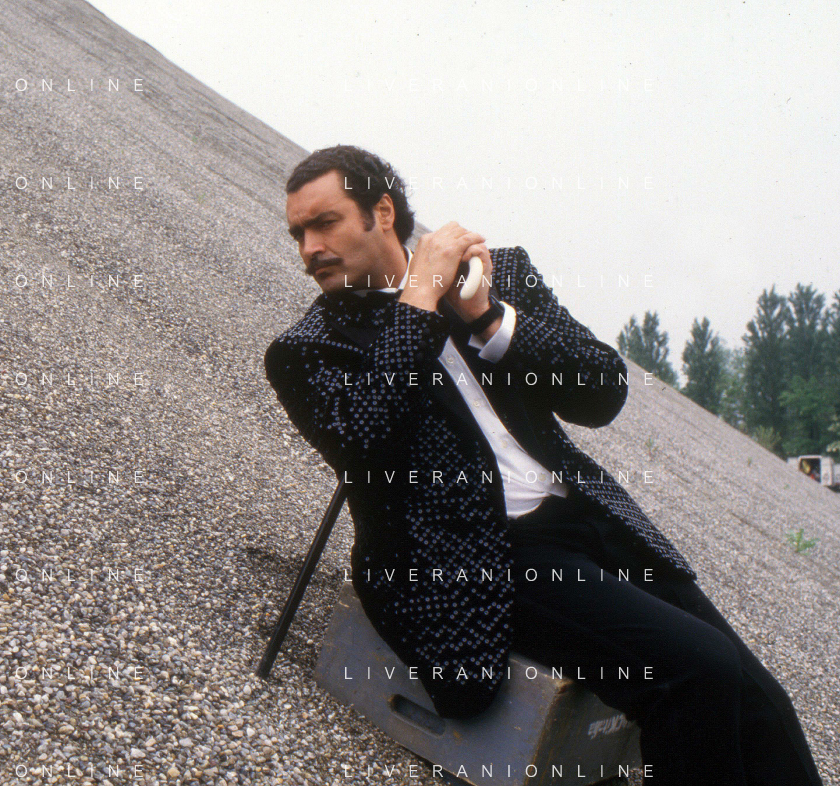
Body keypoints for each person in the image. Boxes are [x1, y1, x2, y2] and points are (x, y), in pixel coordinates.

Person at [263, 144, 823, 785]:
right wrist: (418, 301)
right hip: (471, 552)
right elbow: (364, 447)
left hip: (581, 516)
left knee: (758, 697)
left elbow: (602, 391)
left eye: (324, 223)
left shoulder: (498, 274)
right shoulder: (306, 351)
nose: (310, 248)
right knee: (695, 672)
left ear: (381, 212)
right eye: (298, 233)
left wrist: (488, 318)